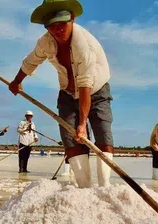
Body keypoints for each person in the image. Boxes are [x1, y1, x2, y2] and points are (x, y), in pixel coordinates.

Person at [8, 0, 114, 188]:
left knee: (102, 133)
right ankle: (84, 188)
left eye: (62, 25)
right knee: (70, 137)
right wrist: (17, 82)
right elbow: (31, 62)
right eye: (52, 26)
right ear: (47, 28)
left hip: (95, 90)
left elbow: (85, 86)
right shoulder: (45, 42)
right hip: (67, 91)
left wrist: (82, 124)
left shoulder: (84, 46)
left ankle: (105, 187)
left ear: (72, 19)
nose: (58, 31)